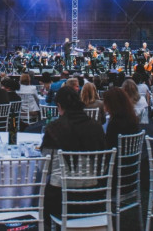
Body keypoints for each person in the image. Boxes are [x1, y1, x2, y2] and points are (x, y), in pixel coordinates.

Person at [40, 86, 106, 224]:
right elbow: (103, 162)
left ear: (59, 106)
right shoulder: (96, 127)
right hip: (94, 196)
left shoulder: (54, 128)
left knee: (43, 193)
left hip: (61, 198)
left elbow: (45, 167)